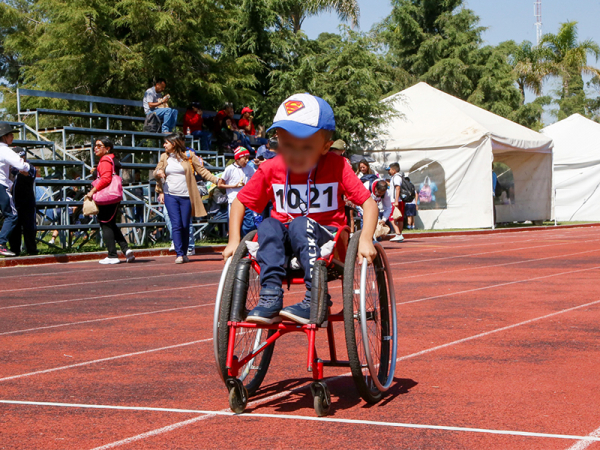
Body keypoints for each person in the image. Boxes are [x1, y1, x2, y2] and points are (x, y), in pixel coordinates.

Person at [222, 93, 378, 325]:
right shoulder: (271, 167)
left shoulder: (337, 165)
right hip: (285, 244)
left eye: (304, 146)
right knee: (268, 225)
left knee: (300, 223)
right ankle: (270, 295)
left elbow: (368, 202)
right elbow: (240, 202)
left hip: (328, 241)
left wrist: (365, 238)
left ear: (325, 147)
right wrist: (234, 239)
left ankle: (316, 298)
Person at [154, 132, 220, 264]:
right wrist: (158, 174)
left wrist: (217, 180)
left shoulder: (189, 156)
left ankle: (184, 252)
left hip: (186, 196)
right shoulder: (164, 157)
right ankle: (179, 253)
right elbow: (157, 171)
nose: (164, 145)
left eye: (166, 142)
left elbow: (202, 171)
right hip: (170, 195)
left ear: (174, 143)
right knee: (176, 224)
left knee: (185, 225)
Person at [85, 138, 135, 264]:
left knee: (105, 223)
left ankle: (112, 255)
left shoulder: (105, 159)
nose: (95, 148)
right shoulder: (110, 159)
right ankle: (126, 249)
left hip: (106, 196)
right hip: (112, 196)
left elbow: (106, 179)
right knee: (111, 224)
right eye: (95, 145)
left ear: (107, 148)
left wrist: (93, 191)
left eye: (99, 145)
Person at [0, 123, 31, 257]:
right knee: (12, 216)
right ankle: (1, 243)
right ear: (4, 137)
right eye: (10, 134)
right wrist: (27, 167)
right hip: (1, 185)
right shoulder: (5, 150)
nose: (12, 137)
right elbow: (21, 165)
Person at [219, 146, 256, 236]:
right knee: (234, 226)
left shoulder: (249, 168)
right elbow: (220, 184)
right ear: (238, 158)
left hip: (246, 201)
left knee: (249, 224)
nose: (247, 160)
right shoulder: (229, 169)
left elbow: (256, 178)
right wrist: (234, 186)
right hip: (233, 201)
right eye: (245, 158)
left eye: (248, 158)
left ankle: (246, 243)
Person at [9, 150, 38, 255]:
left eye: (22, 157)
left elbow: (29, 174)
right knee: (14, 227)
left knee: (29, 227)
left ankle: (32, 251)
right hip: (14, 202)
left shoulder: (29, 167)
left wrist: (19, 167)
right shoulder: (11, 168)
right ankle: (14, 250)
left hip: (27, 202)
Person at [387, 162, 405, 242]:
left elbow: (397, 188)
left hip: (395, 201)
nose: (389, 171)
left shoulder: (396, 177)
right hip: (400, 200)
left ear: (394, 170)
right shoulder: (399, 177)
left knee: (391, 217)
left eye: (390, 169)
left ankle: (398, 234)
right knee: (400, 218)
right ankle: (399, 235)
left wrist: (396, 201)